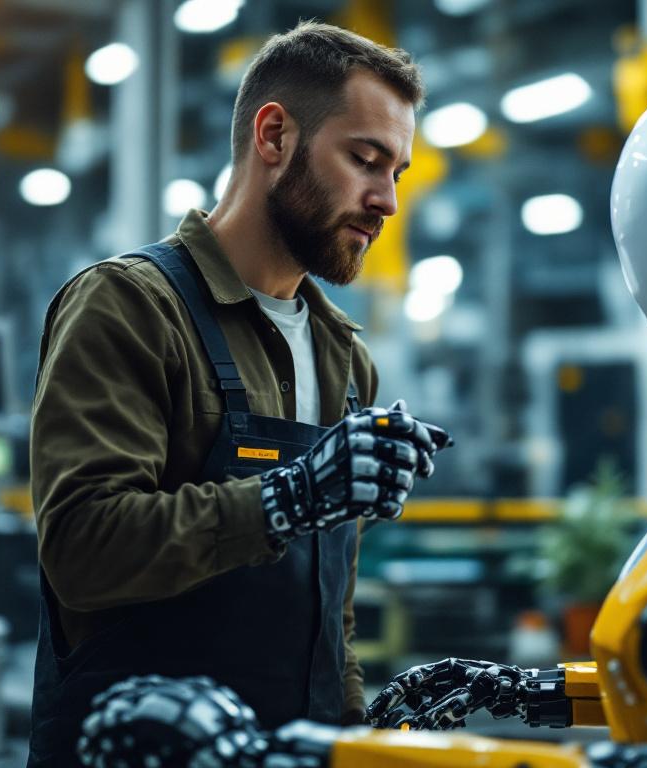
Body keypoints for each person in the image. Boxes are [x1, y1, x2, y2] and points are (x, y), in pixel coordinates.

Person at [26, 21, 447, 766]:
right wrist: (287, 499)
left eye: (397, 174)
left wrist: (354, 736)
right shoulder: (129, 307)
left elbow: (329, 612)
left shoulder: (344, 357)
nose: (385, 201)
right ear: (275, 135)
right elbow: (82, 549)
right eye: (364, 160)